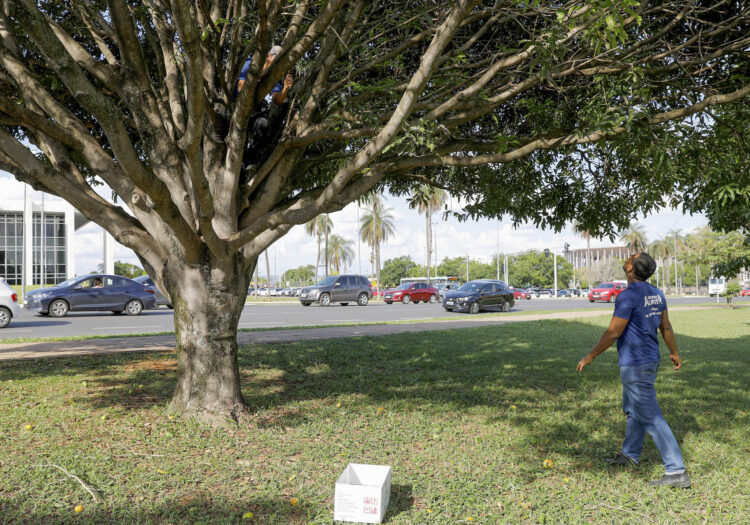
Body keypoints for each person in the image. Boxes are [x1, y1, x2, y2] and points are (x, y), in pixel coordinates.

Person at [576, 253, 690, 488]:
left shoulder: (627, 296)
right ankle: (630, 455)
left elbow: (613, 332)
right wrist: (674, 352)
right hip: (648, 361)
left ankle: (676, 471)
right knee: (634, 410)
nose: (627, 258)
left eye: (630, 257)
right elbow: (665, 326)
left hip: (636, 364)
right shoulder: (656, 294)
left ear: (630, 267)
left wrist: (591, 355)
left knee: (650, 415)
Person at [235, 45, 294, 170]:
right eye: (276, 61)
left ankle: (247, 163)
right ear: (268, 56)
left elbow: (277, 100)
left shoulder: (273, 76)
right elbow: (241, 88)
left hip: (253, 111)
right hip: (235, 108)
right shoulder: (250, 63)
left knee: (263, 124)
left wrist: (285, 89)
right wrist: (264, 69)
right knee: (239, 140)